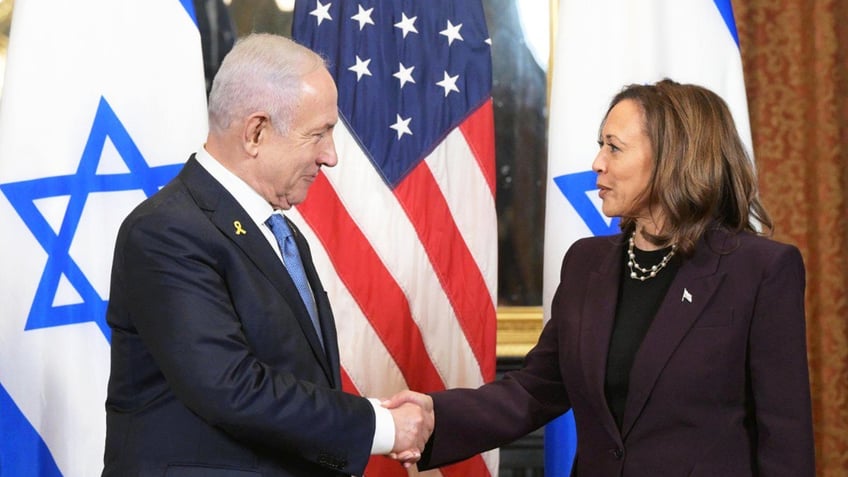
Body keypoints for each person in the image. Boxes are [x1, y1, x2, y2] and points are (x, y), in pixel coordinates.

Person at [385, 79, 815, 476]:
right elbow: (536, 390)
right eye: (600, 146)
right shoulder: (587, 264)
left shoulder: (759, 270)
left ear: (673, 156)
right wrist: (433, 417)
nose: (597, 163)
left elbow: (785, 438)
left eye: (614, 147)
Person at [102, 33, 431, 477]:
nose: (330, 157)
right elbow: (229, 388)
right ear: (256, 132)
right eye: (320, 134)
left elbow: (296, 388)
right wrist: (384, 427)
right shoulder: (166, 231)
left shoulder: (280, 232)